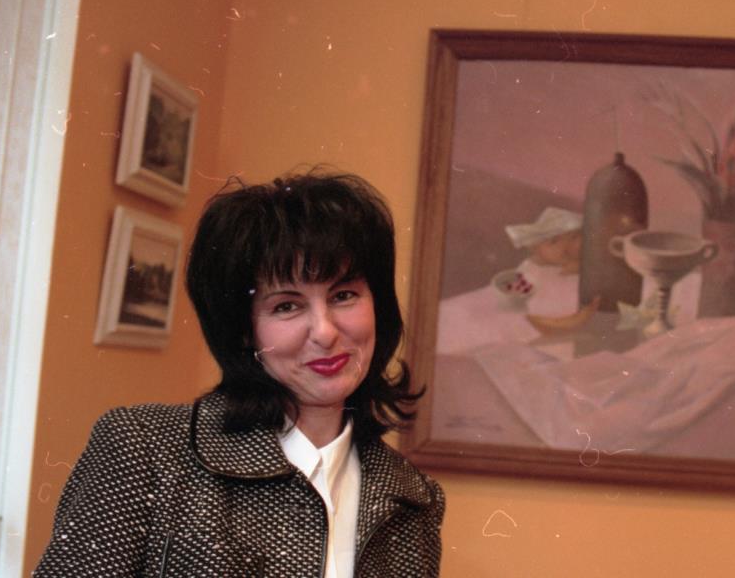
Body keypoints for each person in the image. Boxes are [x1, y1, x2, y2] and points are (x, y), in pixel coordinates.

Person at [34, 170, 444, 577]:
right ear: (245, 330)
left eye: (343, 295)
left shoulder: (415, 500)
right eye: (286, 306)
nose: (324, 331)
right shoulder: (143, 449)